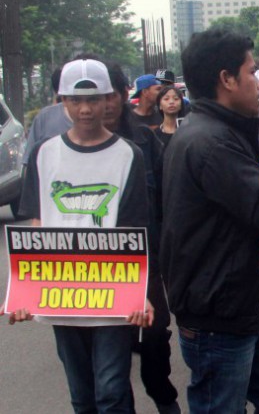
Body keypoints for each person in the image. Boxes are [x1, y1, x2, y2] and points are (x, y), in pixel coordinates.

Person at [160, 29, 259, 413]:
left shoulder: (211, 132)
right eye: (251, 73)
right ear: (227, 79)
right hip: (219, 316)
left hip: (244, 305)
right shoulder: (213, 143)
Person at [4, 58, 154, 413]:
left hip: (113, 293)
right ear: (62, 102)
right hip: (62, 294)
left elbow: (133, 230)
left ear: (109, 100)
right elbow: (38, 223)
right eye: (75, 100)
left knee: (111, 391)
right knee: (81, 396)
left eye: (93, 99)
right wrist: (25, 289)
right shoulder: (43, 154)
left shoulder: (128, 155)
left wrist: (141, 294)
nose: (85, 109)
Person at [103, 62, 181, 414]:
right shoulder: (59, 152)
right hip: (92, 271)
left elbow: (169, 198)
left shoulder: (145, 141)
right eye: (87, 97)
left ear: (123, 95)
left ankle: (164, 399)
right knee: (108, 367)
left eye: (108, 95)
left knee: (153, 336)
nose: (98, 105)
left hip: (146, 264)